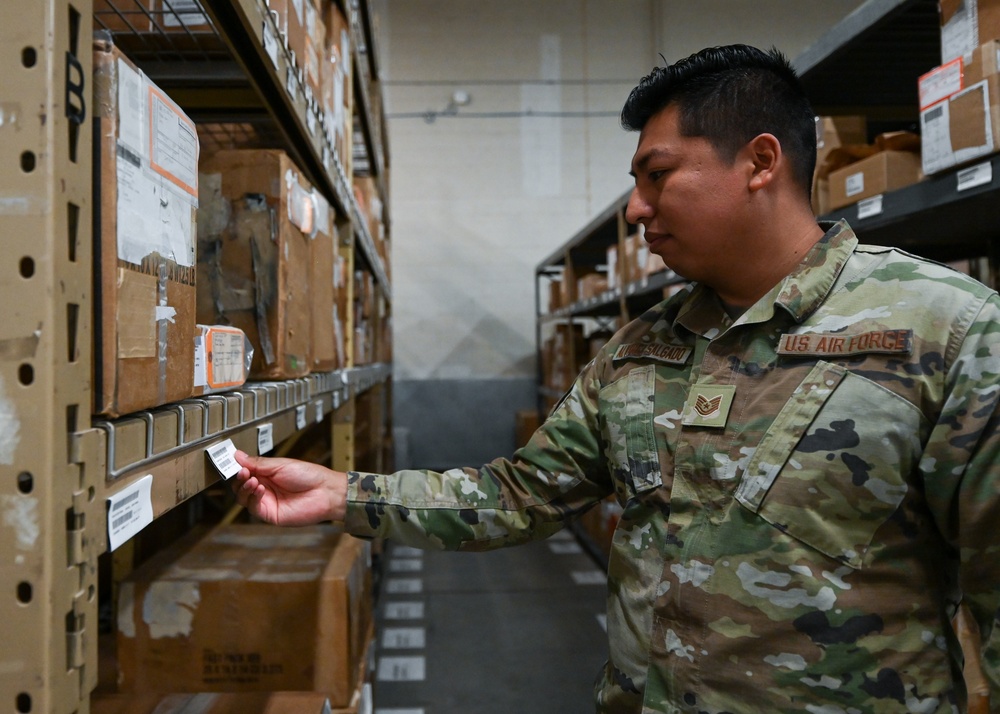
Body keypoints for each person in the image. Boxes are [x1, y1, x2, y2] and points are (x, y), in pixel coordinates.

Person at [232, 44, 1000, 713]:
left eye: (657, 175)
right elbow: (518, 495)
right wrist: (345, 494)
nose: (635, 209)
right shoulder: (641, 349)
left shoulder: (948, 332)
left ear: (761, 163)